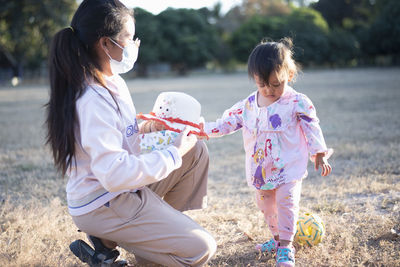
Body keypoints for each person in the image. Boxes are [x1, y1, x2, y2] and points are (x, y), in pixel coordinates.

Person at [45, 0, 216, 266]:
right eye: (129, 38)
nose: (135, 45)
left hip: (122, 191)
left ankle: (129, 239)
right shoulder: (91, 99)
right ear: (105, 43)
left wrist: (147, 128)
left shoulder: (113, 81)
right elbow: (114, 174)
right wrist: (173, 152)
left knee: (194, 151)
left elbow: (117, 135)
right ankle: (138, 243)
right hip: (104, 201)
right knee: (200, 249)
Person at [203, 38, 332, 267]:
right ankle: (275, 238)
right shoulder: (248, 105)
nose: (269, 90)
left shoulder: (297, 102)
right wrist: (199, 130)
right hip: (260, 171)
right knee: (267, 207)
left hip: (289, 168)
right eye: (263, 84)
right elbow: (224, 125)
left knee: (286, 203)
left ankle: (285, 246)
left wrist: (319, 153)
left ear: (289, 76)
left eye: (276, 84)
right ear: (255, 78)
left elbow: (312, 126)